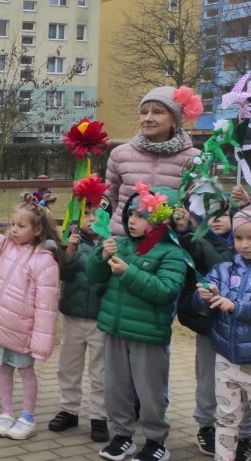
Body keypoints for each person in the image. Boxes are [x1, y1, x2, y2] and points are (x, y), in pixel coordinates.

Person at [87, 185, 187, 461]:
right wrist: (100, 257)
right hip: (115, 330)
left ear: (161, 220)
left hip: (148, 335)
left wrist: (128, 272)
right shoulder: (120, 244)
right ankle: (122, 436)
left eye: (141, 216)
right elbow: (94, 275)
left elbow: (166, 290)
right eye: (131, 213)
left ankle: (156, 441)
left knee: (149, 391)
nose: (132, 220)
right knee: (116, 388)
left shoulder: (171, 253)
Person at [0, 189, 61, 441]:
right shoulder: (4, 246)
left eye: (21, 226)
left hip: (22, 332)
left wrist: (40, 343)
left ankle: (28, 417)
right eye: (13, 224)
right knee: (5, 369)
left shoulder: (44, 261)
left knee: (26, 372)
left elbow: (46, 308)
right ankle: (6, 413)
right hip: (1, 328)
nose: (14, 230)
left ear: (38, 230)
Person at [105, 86, 202, 236]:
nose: (148, 118)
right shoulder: (119, 155)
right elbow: (110, 197)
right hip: (124, 239)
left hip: (170, 241)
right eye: (144, 113)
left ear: (174, 120)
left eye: (157, 112)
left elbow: (198, 207)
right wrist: (116, 227)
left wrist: (183, 228)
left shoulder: (195, 159)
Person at [49, 203, 109, 442]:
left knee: (100, 372)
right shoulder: (72, 240)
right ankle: (69, 409)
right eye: (86, 213)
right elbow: (62, 274)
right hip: (73, 316)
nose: (91, 219)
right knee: (68, 367)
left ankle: (99, 416)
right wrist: (70, 253)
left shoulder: (112, 243)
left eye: (97, 214)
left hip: (100, 319)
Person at [195, 208, 251, 461]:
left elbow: (236, 307)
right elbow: (200, 306)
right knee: (226, 418)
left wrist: (236, 307)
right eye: (239, 238)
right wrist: (205, 297)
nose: (244, 245)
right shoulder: (223, 269)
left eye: (250, 238)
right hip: (226, 360)